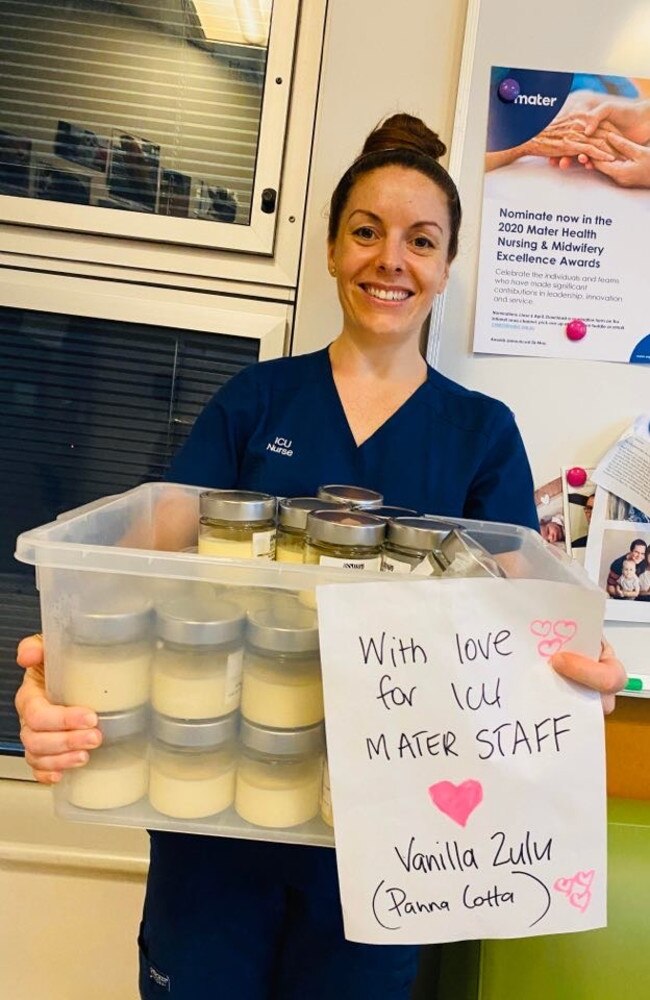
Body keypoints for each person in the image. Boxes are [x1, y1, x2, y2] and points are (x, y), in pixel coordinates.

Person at [15, 113, 627, 1000]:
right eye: (367, 233)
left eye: (422, 241)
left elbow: (530, 620)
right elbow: (120, 572)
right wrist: (54, 671)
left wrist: (581, 678)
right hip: (215, 818)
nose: (391, 260)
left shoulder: (481, 434)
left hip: (391, 841)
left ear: (447, 268)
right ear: (334, 251)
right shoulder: (255, 402)